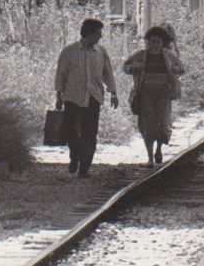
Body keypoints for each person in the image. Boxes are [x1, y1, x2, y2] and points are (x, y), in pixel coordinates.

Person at [54, 18, 119, 178]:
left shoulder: (101, 52)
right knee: (73, 133)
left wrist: (113, 92)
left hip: (93, 98)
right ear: (88, 34)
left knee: (90, 134)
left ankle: (84, 168)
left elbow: (107, 73)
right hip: (73, 98)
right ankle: (74, 157)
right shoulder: (69, 51)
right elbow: (61, 74)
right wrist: (58, 96)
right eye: (98, 34)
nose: (100, 37)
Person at [123, 26, 185, 166]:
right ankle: (150, 158)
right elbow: (126, 66)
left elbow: (181, 68)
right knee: (147, 123)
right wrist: (134, 67)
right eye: (152, 42)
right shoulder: (141, 55)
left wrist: (175, 70)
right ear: (148, 42)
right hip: (145, 93)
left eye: (158, 42)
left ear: (162, 43)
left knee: (162, 122)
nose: (155, 45)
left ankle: (158, 149)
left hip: (163, 92)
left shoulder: (169, 55)